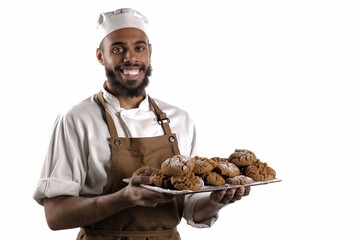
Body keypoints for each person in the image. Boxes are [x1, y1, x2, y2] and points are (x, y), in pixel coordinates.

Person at [33, 7, 251, 240]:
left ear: (149, 53)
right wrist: (124, 198)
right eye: (118, 49)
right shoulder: (77, 119)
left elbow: (191, 207)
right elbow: (55, 216)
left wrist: (215, 201)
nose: (130, 58)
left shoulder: (180, 119)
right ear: (100, 56)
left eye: (139, 48)